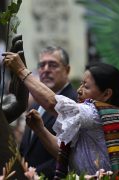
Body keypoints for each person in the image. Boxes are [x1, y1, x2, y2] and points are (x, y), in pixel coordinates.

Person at [3, 53, 119, 176]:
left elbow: (54, 104)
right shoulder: (108, 115)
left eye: (86, 86)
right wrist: (40, 129)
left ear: (106, 94)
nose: (79, 90)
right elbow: (65, 154)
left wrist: (21, 71)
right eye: (81, 84)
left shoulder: (97, 112)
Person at [19, 46, 77, 179]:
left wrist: (33, 174)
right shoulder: (35, 103)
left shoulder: (73, 102)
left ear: (67, 70)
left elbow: (71, 154)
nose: (45, 70)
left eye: (53, 65)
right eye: (42, 65)